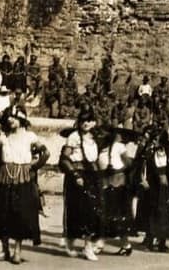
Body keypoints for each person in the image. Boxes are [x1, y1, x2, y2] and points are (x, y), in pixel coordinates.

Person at [0, 105, 49, 264]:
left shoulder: (30, 137)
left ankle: (17, 250)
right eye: (8, 117)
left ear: (21, 118)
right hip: (5, 177)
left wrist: (33, 167)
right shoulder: (3, 137)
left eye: (14, 117)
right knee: (2, 213)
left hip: (23, 178)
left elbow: (46, 153)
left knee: (20, 214)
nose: (10, 120)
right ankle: (4, 249)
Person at [59, 110, 103, 261]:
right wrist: (75, 175)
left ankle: (88, 247)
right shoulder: (74, 137)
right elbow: (65, 158)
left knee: (92, 211)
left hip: (92, 175)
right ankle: (70, 243)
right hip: (77, 174)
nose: (86, 123)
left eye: (89, 120)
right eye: (83, 120)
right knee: (76, 210)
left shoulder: (95, 137)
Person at [134, 126, 169, 253]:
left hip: (167, 187)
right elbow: (142, 167)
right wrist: (144, 180)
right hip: (153, 186)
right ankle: (149, 242)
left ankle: (162, 243)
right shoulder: (149, 152)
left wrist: (168, 179)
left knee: (166, 213)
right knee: (153, 212)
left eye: (157, 139)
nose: (154, 142)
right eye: (153, 139)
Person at [99, 127, 138, 256]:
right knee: (106, 215)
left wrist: (117, 172)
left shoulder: (119, 147)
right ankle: (124, 245)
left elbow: (128, 163)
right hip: (105, 183)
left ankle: (103, 244)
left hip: (117, 184)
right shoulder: (101, 147)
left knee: (117, 215)